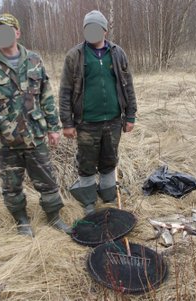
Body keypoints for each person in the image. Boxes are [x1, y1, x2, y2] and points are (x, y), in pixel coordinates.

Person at [0, 13, 71, 236]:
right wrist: (1, 124)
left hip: (35, 136)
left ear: (17, 32)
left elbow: (46, 96)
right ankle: (22, 221)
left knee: (47, 181)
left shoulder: (34, 60)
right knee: (12, 185)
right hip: (6, 141)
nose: (1, 34)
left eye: (6, 29)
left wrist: (54, 128)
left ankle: (54, 218)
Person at [59, 10, 137, 215]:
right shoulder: (74, 56)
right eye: (87, 28)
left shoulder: (118, 53)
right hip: (86, 123)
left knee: (109, 161)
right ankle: (89, 202)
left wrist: (130, 116)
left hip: (113, 121)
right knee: (86, 163)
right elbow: (65, 90)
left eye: (95, 28)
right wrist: (67, 123)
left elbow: (128, 86)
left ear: (104, 30)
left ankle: (109, 197)